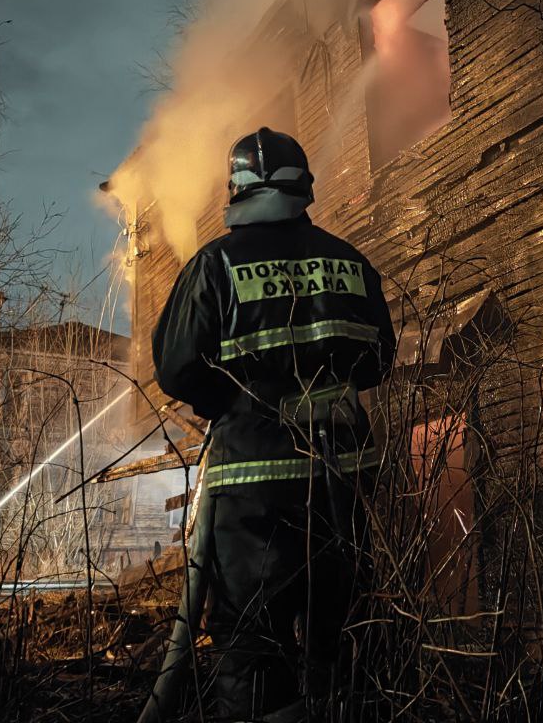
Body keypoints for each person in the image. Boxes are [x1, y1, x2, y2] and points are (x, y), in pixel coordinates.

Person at [153, 127, 396, 722]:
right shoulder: (351, 263)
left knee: (251, 635)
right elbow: (377, 361)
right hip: (345, 478)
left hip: (254, 485)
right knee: (345, 625)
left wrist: (236, 405)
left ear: (234, 191)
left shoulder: (214, 264)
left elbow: (176, 368)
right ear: (303, 187)